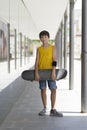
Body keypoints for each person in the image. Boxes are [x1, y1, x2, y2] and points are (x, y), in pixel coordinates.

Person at [35, 30, 63, 117]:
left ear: (48, 38)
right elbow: (37, 62)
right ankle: (44, 108)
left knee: (53, 89)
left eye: (45, 37)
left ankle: (53, 109)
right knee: (43, 89)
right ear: (40, 39)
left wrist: (54, 71)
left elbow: (54, 60)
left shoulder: (53, 48)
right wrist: (36, 73)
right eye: (42, 37)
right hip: (41, 72)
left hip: (51, 72)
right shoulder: (39, 49)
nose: (44, 39)